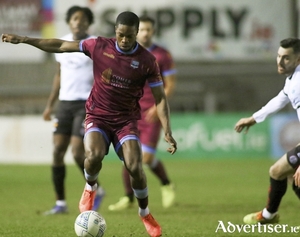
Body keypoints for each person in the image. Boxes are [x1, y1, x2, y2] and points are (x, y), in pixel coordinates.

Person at [2, 11, 177, 237]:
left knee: (135, 166)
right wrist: (25, 40)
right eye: (121, 35)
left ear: (136, 34)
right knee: (93, 155)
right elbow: (61, 45)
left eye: (130, 37)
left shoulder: (147, 61)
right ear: (115, 32)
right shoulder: (99, 45)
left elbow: (160, 98)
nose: (124, 41)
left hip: (125, 120)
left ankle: (145, 213)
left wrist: (168, 131)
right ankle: (90, 187)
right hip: (98, 115)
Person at [108, 15, 177, 211]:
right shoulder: (125, 53)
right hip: (129, 112)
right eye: (143, 30)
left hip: (150, 113)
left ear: (152, 31)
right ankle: (128, 197)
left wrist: (157, 107)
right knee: (129, 155)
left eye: (148, 30)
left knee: (144, 158)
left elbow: (170, 85)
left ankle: (166, 183)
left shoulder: (162, 55)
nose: (145, 33)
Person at [42, 6, 104, 215]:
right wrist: (51, 104)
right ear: (69, 22)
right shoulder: (63, 42)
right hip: (65, 104)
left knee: (78, 152)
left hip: (87, 105)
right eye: (75, 19)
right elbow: (59, 76)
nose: (79, 22)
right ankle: (60, 203)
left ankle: (95, 188)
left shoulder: (95, 44)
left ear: (89, 23)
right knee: (58, 150)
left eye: (84, 19)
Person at [234, 38, 300, 224]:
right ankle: (268, 215)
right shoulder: (293, 80)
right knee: (289, 175)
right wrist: (254, 118)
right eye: (278, 56)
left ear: (298, 60)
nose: (279, 62)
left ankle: (268, 215)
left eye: (286, 58)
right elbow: (280, 99)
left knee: (277, 171)